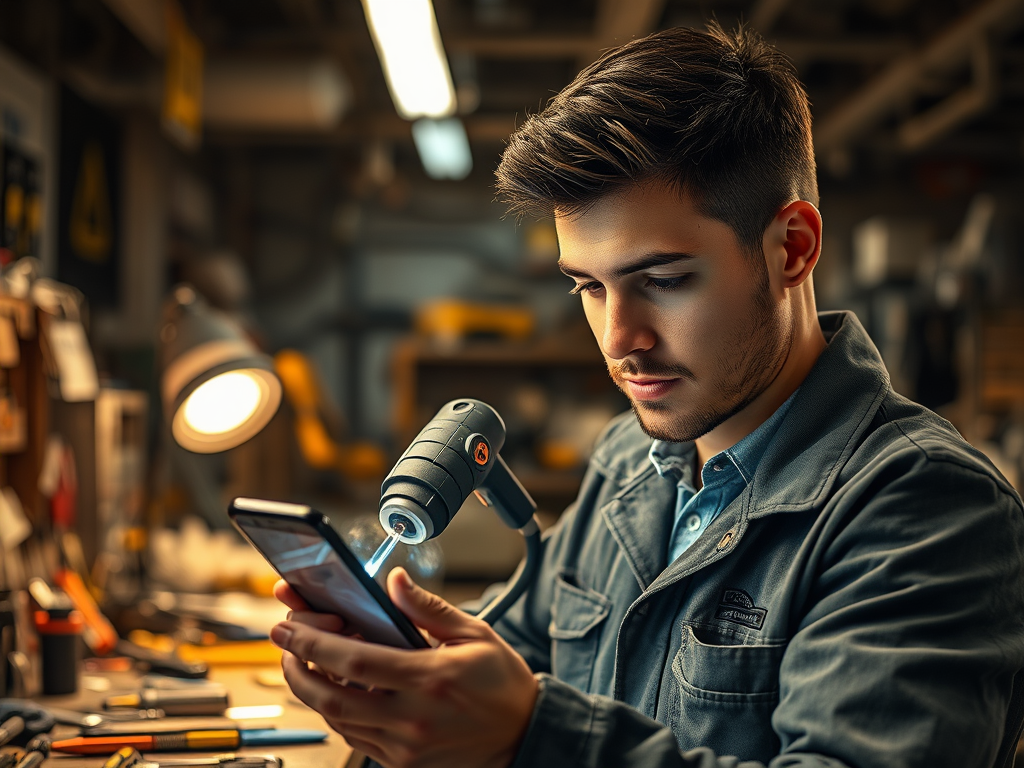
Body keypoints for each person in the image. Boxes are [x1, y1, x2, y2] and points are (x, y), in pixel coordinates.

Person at [268, 23, 1024, 768]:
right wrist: (403, 689)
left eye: (662, 281)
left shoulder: (926, 507)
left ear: (791, 248)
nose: (618, 339)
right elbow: (519, 658)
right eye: (589, 287)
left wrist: (532, 739)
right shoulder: (629, 461)